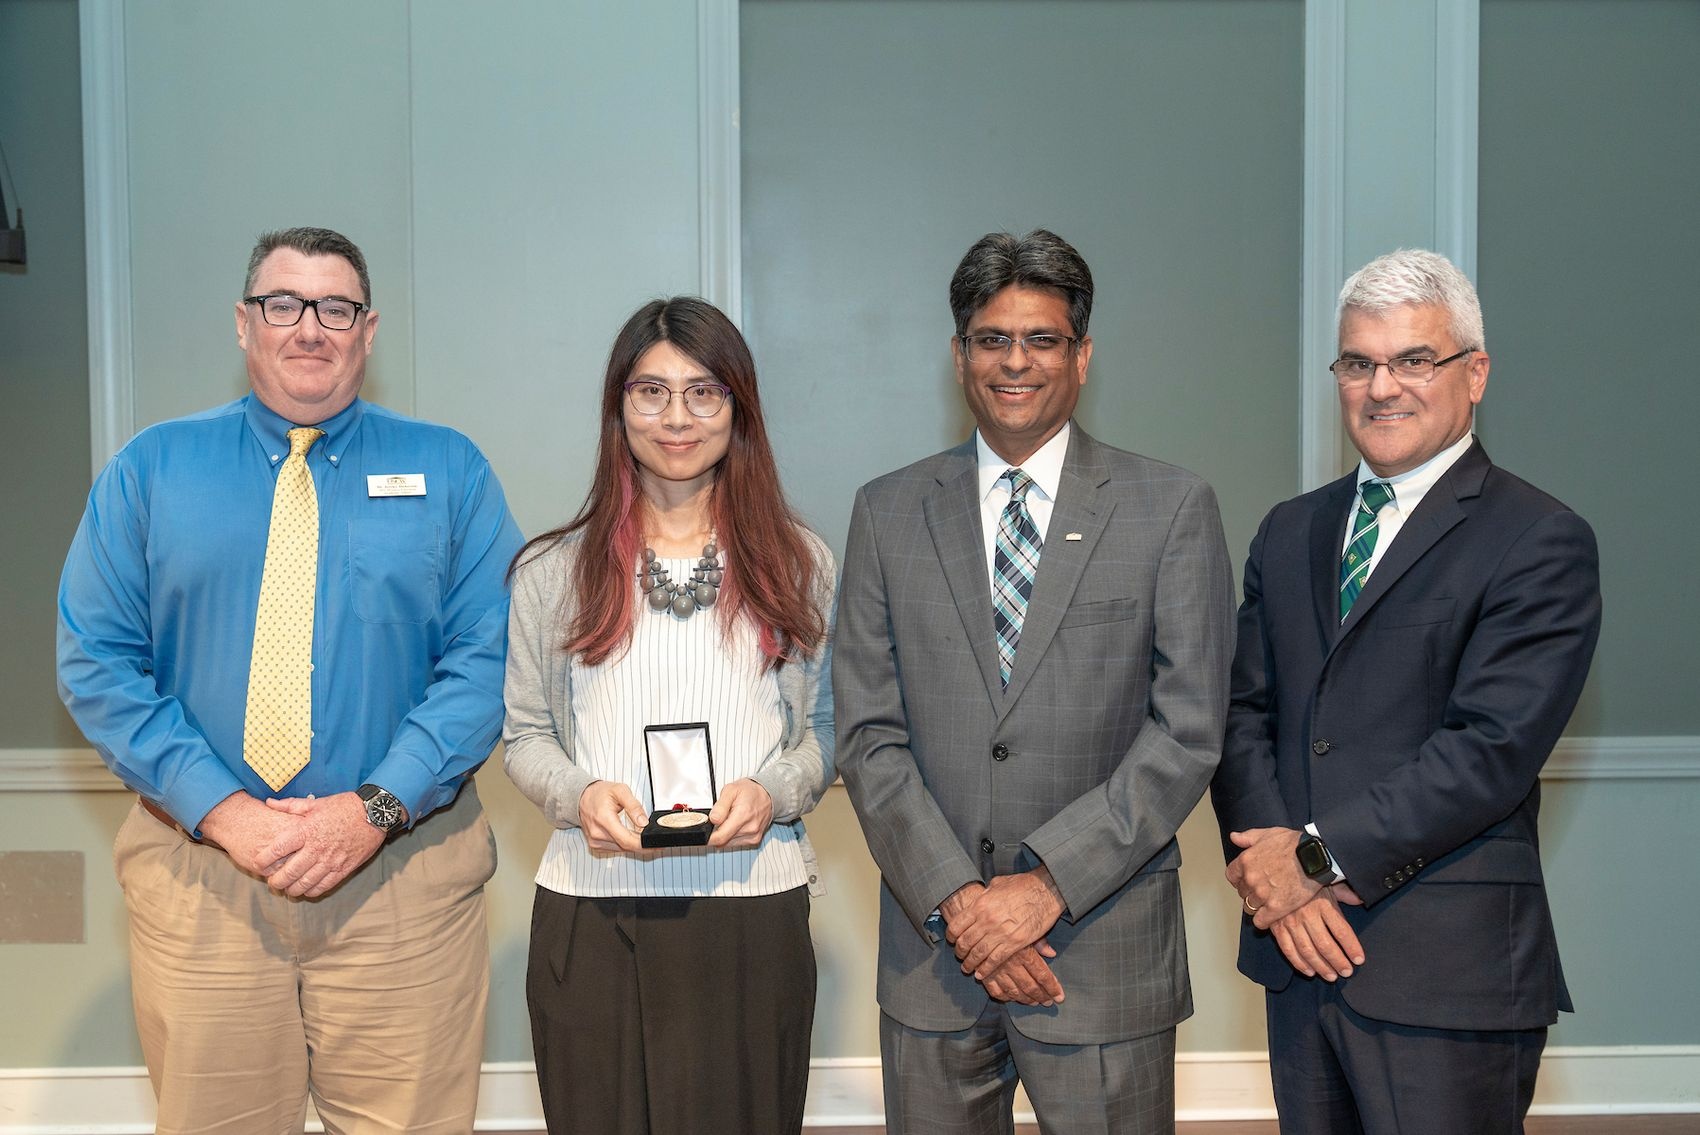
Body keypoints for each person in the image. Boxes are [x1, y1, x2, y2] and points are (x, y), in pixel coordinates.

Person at [56, 226, 522, 1135]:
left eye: (335, 307)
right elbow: (96, 660)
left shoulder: (451, 470)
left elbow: (491, 659)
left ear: (368, 329)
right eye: (283, 304)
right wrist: (227, 814)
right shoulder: (150, 471)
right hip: (203, 881)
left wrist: (374, 810)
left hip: (405, 876)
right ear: (244, 323)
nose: (310, 327)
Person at [834, 229, 1235, 1133]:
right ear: (960, 354)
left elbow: (1189, 730)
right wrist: (963, 904)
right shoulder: (886, 510)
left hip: (1100, 955)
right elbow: (866, 733)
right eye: (991, 339)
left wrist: (1044, 888)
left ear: (1082, 355)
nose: (1015, 362)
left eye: (1042, 339)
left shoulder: (1170, 507)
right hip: (934, 959)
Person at [1210, 248, 1602, 1134]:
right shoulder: (1290, 529)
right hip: (1298, 964)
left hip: (1446, 979)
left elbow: (1487, 750)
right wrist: (1275, 877)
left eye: (1413, 359)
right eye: (1359, 362)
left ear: (1475, 374)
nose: (1382, 385)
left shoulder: (1538, 537)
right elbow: (1242, 714)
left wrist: (1306, 866)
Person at [503, 296, 834, 1134]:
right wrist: (578, 794)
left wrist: (775, 788)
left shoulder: (800, 562)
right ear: (618, 407)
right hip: (593, 901)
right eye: (650, 392)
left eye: (703, 392)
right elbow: (525, 737)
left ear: (739, 408)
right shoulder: (552, 570)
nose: (676, 417)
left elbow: (829, 730)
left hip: (752, 906)